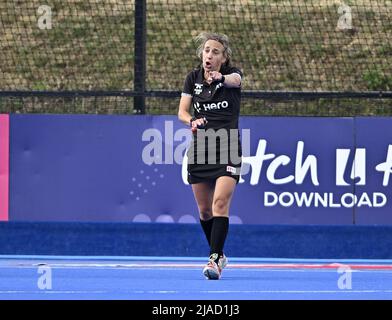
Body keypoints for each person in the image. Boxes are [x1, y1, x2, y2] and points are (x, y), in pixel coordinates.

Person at [178, 32, 243, 280]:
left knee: (219, 205)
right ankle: (219, 253)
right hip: (201, 147)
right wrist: (192, 121)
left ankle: (214, 260)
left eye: (216, 51)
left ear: (223, 57)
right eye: (207, 50)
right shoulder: (192, 78)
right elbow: (182, 112)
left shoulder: (232, 75)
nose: (210, 55)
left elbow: (235, 80)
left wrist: (221, 77)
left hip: (227, 147)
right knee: (205, 212)